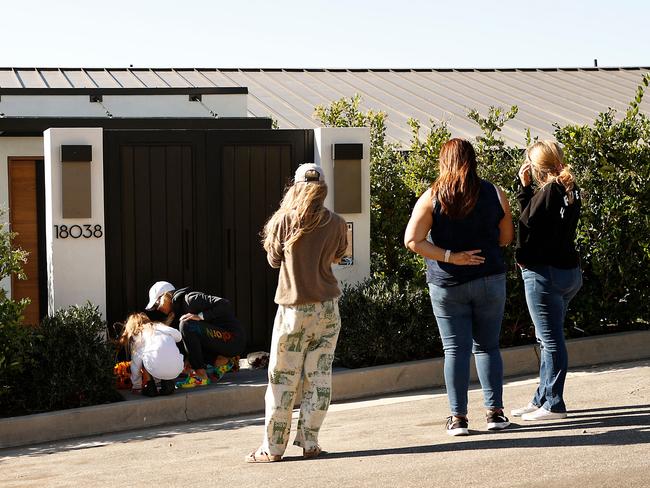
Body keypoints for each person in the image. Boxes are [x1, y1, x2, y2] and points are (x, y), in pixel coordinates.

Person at [404, 138, 514, 436]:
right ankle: (495, 414)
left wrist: (451, 256)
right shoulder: (494, 193)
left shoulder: (432, 196)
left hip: (447, 283)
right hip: (489, 278)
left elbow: (413, 240)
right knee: (488, 347)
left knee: (455, 350)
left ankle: (458, 419)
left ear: (444, 161)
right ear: (473, 160)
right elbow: (505, 238)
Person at [245, 163, 347, 463]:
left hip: (293, 309)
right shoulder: (338, 223)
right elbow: (339, 256)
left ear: (295, 186)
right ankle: (310, 443)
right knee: (320, 377)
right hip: (328, 308)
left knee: (282, 379)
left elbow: (274, 260)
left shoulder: (283, 221)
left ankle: (273, 448)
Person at [511, 140, 582, 421]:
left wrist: (523, 188)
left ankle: (553, 403)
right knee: (547, 338)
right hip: (568, 272)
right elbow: (536, 218)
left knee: (550, 341)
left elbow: (525, 225)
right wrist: (528, 189)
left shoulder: (550, 190)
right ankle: (542, 396)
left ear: (537, 167)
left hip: (545, 274)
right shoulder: (569, 189)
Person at [145, 281, 246, 388]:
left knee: (186, 324)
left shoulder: (190, 299)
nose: (157, 308)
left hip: (233, 338)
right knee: (185, 329)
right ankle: (222, 362)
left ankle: (201, 376)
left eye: (157, 303)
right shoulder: (178, 311)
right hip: (224, 341)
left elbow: (225, 304)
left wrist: (200, 316)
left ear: (165, 296)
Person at [118, 312, 184, 397]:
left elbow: (135, 365)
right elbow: (178, 337)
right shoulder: (161, 327)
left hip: (156, 366)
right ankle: (167, 383)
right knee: (164, 354)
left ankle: (150, 386)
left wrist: (137, 385)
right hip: (177, 367)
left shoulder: (139, 335)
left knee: (143, 360)